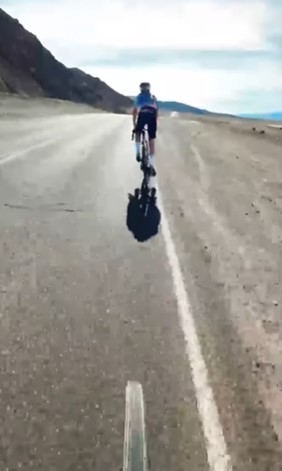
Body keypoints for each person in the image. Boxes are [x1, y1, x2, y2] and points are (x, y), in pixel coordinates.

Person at [132, 82, 158, 176]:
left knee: (138, 132)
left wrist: (134, 124)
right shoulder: (153, 97)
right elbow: (156, 110)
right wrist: (155, 121)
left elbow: (135, 111)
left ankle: (138, 152)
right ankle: (152, 164)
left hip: (143, 113)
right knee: (151, 139)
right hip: (153, 115)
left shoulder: (139, 97)